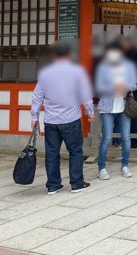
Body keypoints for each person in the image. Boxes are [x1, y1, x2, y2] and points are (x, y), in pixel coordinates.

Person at [30, 43, 94, 194]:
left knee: (52, 153)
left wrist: (34, 117)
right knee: (75, 151)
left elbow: (37, 96)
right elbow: (85, 93)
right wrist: (90, 112)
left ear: (54, 56)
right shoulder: (77, 71)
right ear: (70, 55)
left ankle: (53, 185)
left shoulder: (45, 74)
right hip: (71, 118)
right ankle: (76, 183)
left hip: (51, 120)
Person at [95, 42, 137, 180]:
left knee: (126, 137)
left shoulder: (129, 66)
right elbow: (98, 87)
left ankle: (125, 166)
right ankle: (101, 168)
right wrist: (114, 87)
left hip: (124, 106)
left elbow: (134, 84)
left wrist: (124, 86)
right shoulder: (103, 67)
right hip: (107, 107)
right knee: (107, 137)